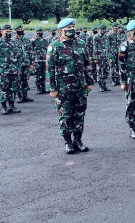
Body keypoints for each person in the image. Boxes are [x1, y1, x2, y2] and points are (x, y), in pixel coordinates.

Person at [45, 18, 94, 154]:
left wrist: (89, 82)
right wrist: (52, 88)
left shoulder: (81, 43)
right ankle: (68, 142)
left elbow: (86, 64)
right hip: (63, 87)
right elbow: (49, 68)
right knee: (65, 114)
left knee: (79, 113)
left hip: (80, 86)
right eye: (69, 27)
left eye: (73, 26)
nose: (72, 29)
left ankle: (78, 140)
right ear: (61, 30)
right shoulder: (54, 46)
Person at [0, 25, 22, 115]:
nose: (8, 32)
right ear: (1, 32)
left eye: (9, 31)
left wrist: (19, 68)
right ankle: (4, 107)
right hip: (3, 70)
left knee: (13, 88)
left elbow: (19, 57)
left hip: (14, 70)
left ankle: (12, 106)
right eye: (6, 31)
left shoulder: (14, 42)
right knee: (4, 89)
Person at [13, 24, 34, 103]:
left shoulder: (26, 40)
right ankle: (19, 96)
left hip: (26, 63)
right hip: (18, 64)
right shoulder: (13, 41)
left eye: (22, 29)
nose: (22, 30)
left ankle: (25, 95)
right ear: (16, 30)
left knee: (25, 80)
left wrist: (32, 63)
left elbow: (31, 52)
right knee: (18, 80)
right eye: (20, 29)